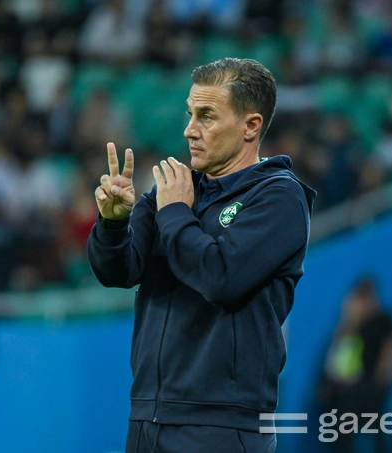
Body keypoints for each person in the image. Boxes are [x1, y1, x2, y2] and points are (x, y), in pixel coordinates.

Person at [86, 58, 317, 453]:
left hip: (222, 424)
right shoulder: (171, 191)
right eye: (190, 114)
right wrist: (113, 224)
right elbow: (118, 272)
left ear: (251, 126)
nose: (189, 130)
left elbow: (220, 277)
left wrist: (176, 211)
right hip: (147, 416)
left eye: (206, 116)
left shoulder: (279, 197)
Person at [318, 277, 392, 453]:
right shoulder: (351, 324)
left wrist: (381, 381)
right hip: (347, 388)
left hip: (371, 388)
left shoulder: (384, 321)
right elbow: (339, 356)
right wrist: (349, 320)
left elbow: (391, 350)